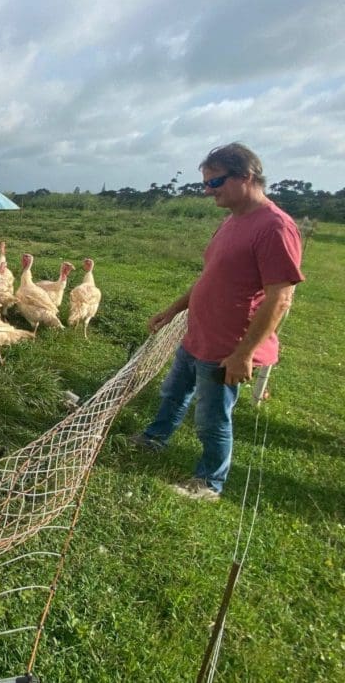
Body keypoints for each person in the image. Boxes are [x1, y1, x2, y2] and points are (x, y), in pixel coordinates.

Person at [130, 143, 304, 500]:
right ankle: (154, 439)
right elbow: (210, 277)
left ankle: (210, 481)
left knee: (211, 418)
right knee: (174, 394)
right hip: (199, 334)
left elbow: (280, 297)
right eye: (205, 184)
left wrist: (244, 354)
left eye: (216, 182)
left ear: (248, 176)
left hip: (228, 346)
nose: (209, 191)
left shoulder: (275, 227)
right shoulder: (232, 221)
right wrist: (176, 309)